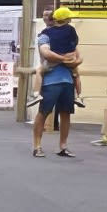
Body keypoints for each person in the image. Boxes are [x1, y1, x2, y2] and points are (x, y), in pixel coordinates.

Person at [32, 8, 79, 158]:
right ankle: (37, 146)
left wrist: (71, 60)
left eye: (50, 16)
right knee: (43, 112)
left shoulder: (69, 34)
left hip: (67, 80)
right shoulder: (44, 36)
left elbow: (77, 56)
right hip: (50, 81)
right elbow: (46, 53)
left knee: (66, 113)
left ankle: (63, 146)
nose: (48, 18)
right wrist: (65, 59)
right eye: (45, 16)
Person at [30, 7, 85, 108]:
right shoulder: (71, 29)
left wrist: (61, 57)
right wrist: (72, 57)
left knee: (39, 70)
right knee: (76, 74)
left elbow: (47, 53)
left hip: (54, 60)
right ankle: (79, 95)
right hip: (70, 58)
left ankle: (36, 94)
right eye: (44, 15)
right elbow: (75, 42)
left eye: (48, 15)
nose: (46, 18)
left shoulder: (47, 33)